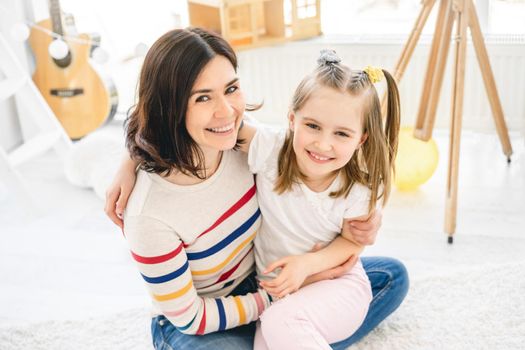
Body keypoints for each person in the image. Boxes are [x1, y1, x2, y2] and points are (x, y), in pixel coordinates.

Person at [104, 27, 409, 349]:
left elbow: (326, 133)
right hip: (204, 317)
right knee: (279, 325)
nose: (227, 111)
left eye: (231, 88)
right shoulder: (149, 213)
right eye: (203, 97)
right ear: (170, 107)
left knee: (392, 276)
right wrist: (287, 289)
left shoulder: (238, 141)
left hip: (264, 278)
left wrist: (347, 238)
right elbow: (190, 318)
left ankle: (289, 332)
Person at [228, 49, 401, 349]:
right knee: (271, 334)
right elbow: (216, 125)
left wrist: (307, 265)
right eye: (313, 126)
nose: (323, 144)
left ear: (361, 140)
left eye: (342, 134)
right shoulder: (270, 149)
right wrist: (130, 159)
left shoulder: (357, 188)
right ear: (292, 119)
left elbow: (352, 242)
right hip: (282, 296)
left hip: (339, 288)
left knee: (279, 322)